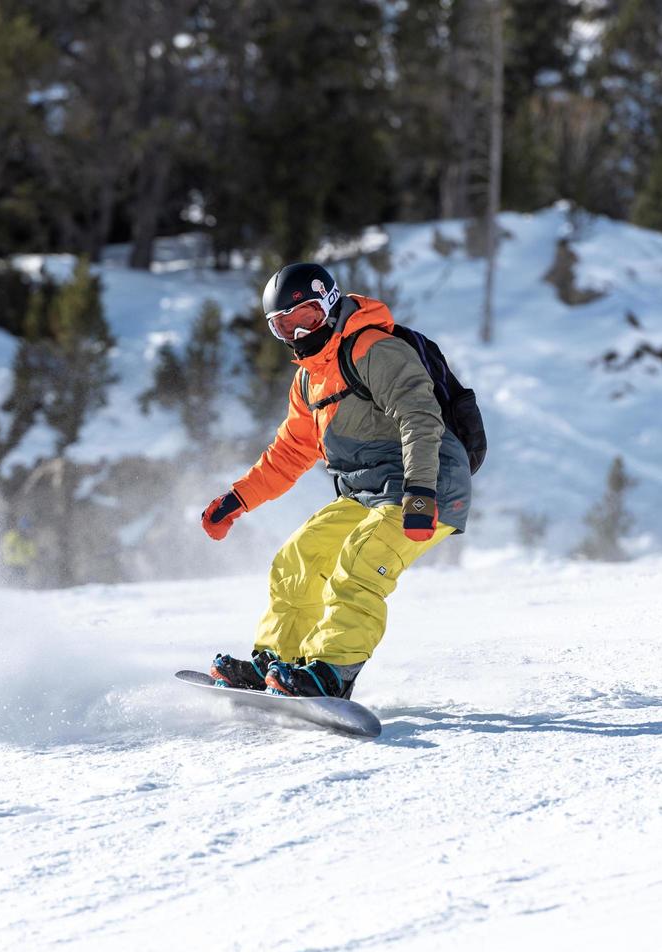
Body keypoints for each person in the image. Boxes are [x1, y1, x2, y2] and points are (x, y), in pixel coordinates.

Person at [201, 262, 472, 698]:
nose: (297, 333)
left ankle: (332, 672)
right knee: (299, 557)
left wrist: (420, 495)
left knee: (360, 564)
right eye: (282, 327)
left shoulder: (374, 349)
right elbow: (291, 451)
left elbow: (420, 419)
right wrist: (238, 499)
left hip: (428, 482)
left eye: (305, 317)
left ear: (328, 304)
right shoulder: (309, 378)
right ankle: (279, 661)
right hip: (367, 493)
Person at [0, 516, 39, 588]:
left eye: (29, 528)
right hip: (11, 564)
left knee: (21, 582)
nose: (28, 530)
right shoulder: (12, 535)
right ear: (21, 528)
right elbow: (5, 546)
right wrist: (10, 550)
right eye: (26, 528)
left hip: (22, 565)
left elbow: (32, 551)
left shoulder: (28, 539)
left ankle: (19, 590)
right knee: (10, 581)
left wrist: (33, 557)